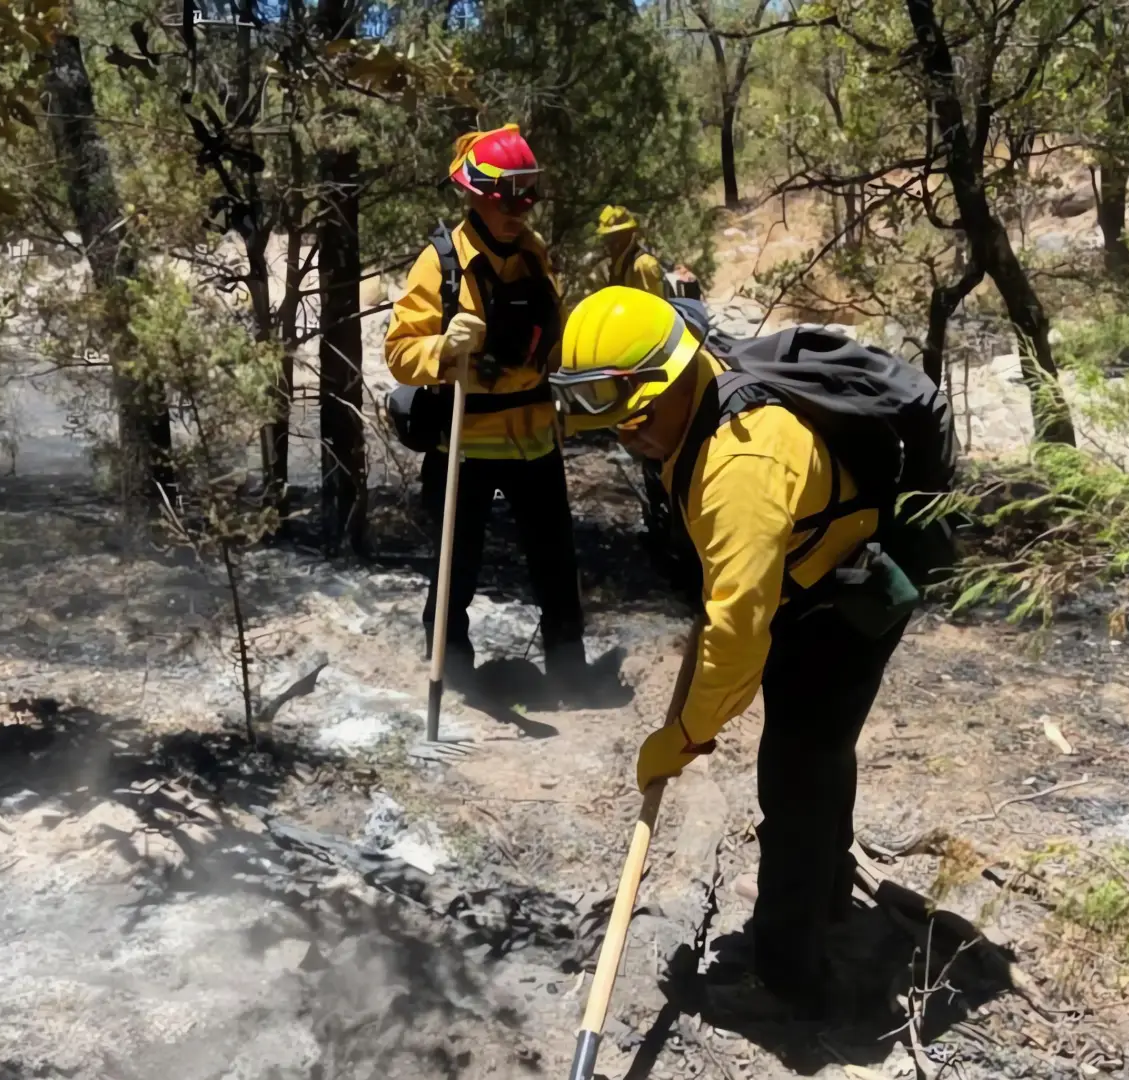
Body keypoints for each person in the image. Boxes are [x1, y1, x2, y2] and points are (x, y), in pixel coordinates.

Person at [549, 286, 918, 1021]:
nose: (631, 439)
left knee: (795, 779)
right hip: (804, 590)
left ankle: (789, 983)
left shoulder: (740, 466)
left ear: (682, 371)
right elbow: (735, 588)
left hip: (840, 609)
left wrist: (683, 735)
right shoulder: (696, 394)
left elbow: (737, 638)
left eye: (639, 420)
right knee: (814, 761)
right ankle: (824, 897)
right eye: (613, 428)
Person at [384, 124, 592, 689]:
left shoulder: (533, 254)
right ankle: (451, 678)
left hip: (534, 439)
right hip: (465, 446)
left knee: (555, 567)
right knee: (456, 570)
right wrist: (442, 349)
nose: (519, 211)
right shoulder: (439, 264)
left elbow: (550, 338)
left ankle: (572, 678)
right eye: (508, 199)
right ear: (475, 194)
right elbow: (400, 354)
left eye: (528, 197)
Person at [596, 205, 667, 297]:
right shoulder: (617, 266)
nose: (610, 242)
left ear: (629, 233)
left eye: (615, 236)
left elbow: (655, 306)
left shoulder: (644, 264)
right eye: (607, 237)